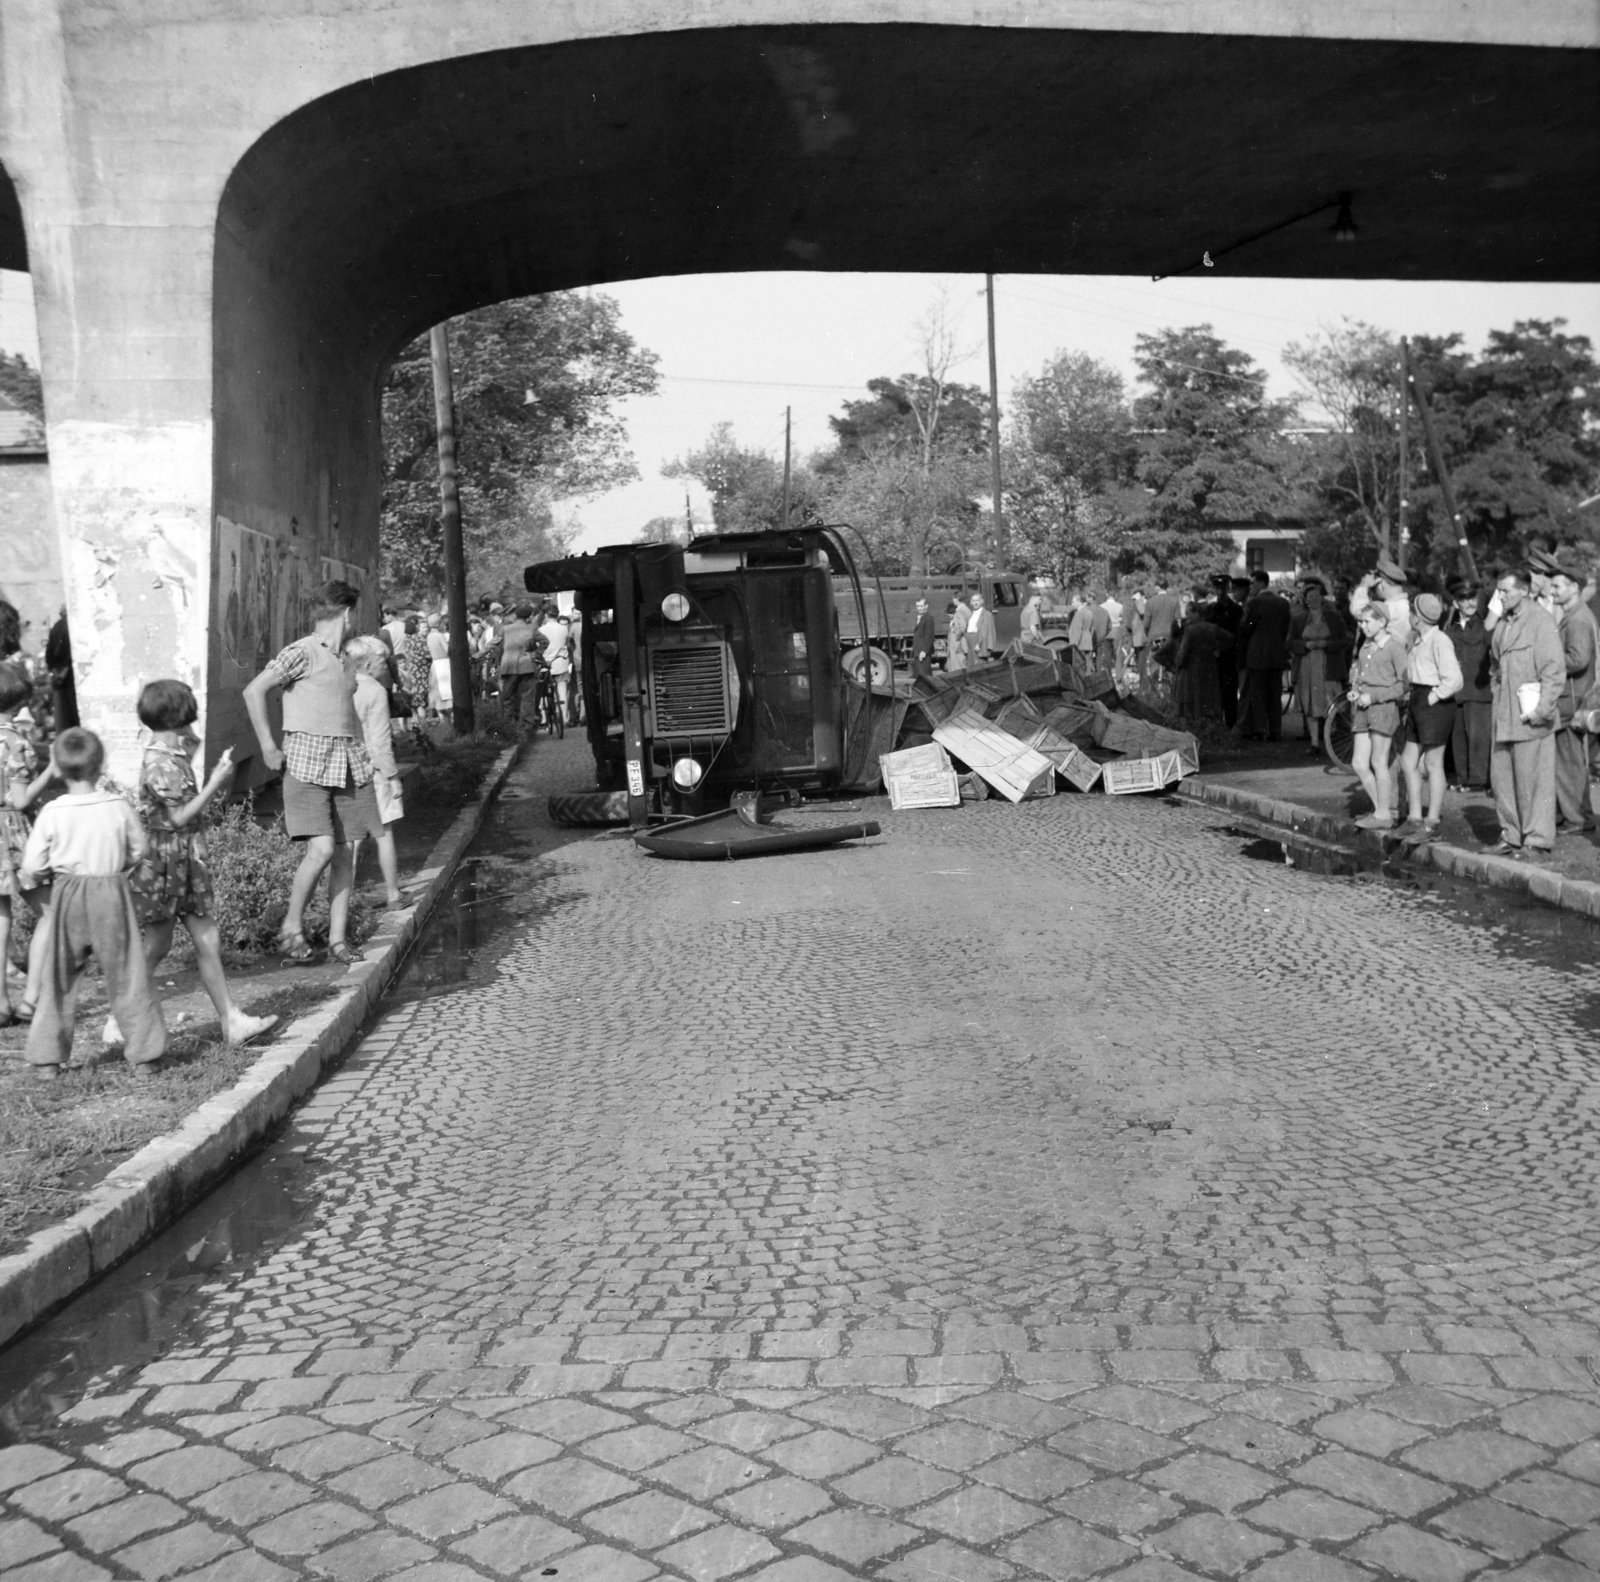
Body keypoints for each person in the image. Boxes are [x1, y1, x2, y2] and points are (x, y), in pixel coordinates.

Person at [120, 680, 277, 1048]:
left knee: (205, 939)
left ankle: (230, 1020)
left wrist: (188, 746)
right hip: (168, 860)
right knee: (158, 946)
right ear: (178, 715)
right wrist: (215, 782)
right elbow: (176, 818)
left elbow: (182, 774)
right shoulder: (161, 763)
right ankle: (123, 1012)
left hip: (180, 859)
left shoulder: (167, 755)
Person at [242, 579, 382, 965]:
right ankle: (291, 927)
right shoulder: (302, 652)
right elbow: (254, 691)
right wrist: (268, 746)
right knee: (320, 849)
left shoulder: (345, 660)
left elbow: (343, 710)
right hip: (306, 765)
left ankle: (338, 941)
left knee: (343, 851)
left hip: (345, 764)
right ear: (348, 614)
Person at [20, 728, 166, 1077]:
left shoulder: (53, 811)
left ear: (56, 766)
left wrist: (50, 872)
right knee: (127, 973)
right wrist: (120, 868)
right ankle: (145, 1055)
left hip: (68, 894)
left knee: (59, 977)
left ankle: (47, 1059)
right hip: (111, 893)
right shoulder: (118, 806)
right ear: (102, 766)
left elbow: (31, 865)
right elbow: (140, 850)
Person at [1487, 567, 1565, 858]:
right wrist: (1497, 696)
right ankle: (1511, 835)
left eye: (1506, 591)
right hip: (1504, 715)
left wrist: (1542, 710)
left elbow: (1554, 671)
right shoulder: (1504, 624)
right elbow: (1495, 664)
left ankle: (1537, 841)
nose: (1501, 596)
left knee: (1534, 780)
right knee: (1503, 779)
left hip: (1532, 717)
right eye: (1499, 591)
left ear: (1524, 590)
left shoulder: (1541, 622)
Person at [0, 663, 55, 1025]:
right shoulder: (15, 741)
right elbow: (19, 800)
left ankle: (1, 1003)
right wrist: (52, 770)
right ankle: (31, 998)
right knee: (50, 911)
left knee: (0, 914)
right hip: (12, 832)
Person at [1398, 594, 1463, 838]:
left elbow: (1454, 679)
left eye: (1411, 612)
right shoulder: (1418, 640)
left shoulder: (1439, 640)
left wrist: (1432, 698)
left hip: (1434, 704)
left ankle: (1432, 822)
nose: (1409, 616)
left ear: (1418, 616)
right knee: (1408, 761)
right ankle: (1414, 818)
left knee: (1433, 763)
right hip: (1418, 701)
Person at [348, 638, 406, 908]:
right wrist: (393, 776)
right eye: (383, 661)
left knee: (353, 836)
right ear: (370, 665)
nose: (387, 665)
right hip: (373, 769)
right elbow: (380, 742)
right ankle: (393, 893)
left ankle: (343, 898)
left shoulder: (343, 686)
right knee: (384, 831)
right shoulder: (375, 691)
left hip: (347, 768)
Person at [1550, 552, 1598, 835]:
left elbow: (1578, 659)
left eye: (1557, 586)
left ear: (1574, 588)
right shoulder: (1575, 615)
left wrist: (1547, 666)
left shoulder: (1578, 618)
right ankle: (1576, 815)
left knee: (1568, 761)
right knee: (1569, 760)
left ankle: (1578, 819)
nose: (1553, 590)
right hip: (1572, 697)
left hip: (1571, 697)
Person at [1348, 603, 1408, 830]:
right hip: (1363, 709)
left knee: (1378, 761)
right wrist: (1356, 690)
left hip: (1383, 708)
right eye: (1361, 622)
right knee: (1359, 763)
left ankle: (1383, 814)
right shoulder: (1366, 647)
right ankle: (1381, 810)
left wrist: (1374, 697)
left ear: (1382, 622)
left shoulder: (1394, 648)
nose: (1362, 627)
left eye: (1367, 622)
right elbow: (1359, 677)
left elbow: (1404, 685)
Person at [1445, 578, 1493, 792]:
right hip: (1457, 693)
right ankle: (1463, 778)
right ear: (1456, 603)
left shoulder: (1485, 626)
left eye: (1472, 597)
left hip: (1478, 691)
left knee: (1478, 738)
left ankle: (1478, 781)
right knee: (1459, 739)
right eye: (1464, 599)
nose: (1470, 602)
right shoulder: (1451, 630)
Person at [1235, 570, 1293, 741]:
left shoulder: (1255, 602)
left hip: (1257, 653)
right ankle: (1276, 731)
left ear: (1261, 583)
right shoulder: (1283, 603)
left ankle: (1261, 730)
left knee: (1258, 694)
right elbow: (1285, 627)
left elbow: (1247, 625)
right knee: (1275, 695)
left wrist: (1251, 626)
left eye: (1253, 583)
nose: (1251, 586)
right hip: (1276, 653)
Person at [1289, 579, 1344, 755]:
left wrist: (1326, 643)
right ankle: (1314, 743)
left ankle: (1332, 740)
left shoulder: (1334, 616)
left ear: (1322, 597)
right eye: (1310, 596)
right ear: (1305, 600)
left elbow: (1343, 640)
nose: (1313, 599)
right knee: (1310, 703)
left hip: (1328, 665)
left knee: (1330, 701)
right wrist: (1304, 646)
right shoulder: (1298, 619)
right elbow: (1289, 642)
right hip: (1307, 667)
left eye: (1316, 595)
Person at [1172, 599, 1233, 723]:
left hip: (1192, 668)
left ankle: (1197, 727)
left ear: (1197, 613)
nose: (1186, 617)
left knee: (1194, 700)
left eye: (1188, 613)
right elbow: (1230, 638)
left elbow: (1183, 652)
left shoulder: (1190, 630)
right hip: (1210, 667)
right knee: (1208, 699)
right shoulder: (1212, 628)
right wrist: (1218, 649)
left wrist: (1177, 664)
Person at [1350, 555, 1413, 646]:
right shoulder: (1404, 606)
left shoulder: (1392, 608)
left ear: (1382, 583)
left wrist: (1364, 585)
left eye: (1375, 587)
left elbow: (1358, 610)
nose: (1374, 590)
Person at [1207, 577, 1243, 728]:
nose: (1220, 591)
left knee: (1229, 694)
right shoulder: (1211, 609)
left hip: (1229, 657)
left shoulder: (1235, 609)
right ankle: (1215, 726)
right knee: (1214, 693)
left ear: (1227, 589)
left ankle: (1230, 726)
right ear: (1214, 590)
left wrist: (1222, 648)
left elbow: (1237, 634)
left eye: (1223, 588)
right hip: (1213, 658)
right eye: (1217, 588)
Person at [499, 604, 540, 723]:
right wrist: (535, 654)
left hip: (509, 665)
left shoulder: (505, 629)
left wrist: (477, 656)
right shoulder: (531, 628)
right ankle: (526, 727)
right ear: (529, 617)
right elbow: (544, 642)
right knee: (527, 698)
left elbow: (495, 645)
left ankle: (509, 726)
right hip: (526, 666)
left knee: (508, 697)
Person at [537, 604, 574, 720]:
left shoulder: (540, 630)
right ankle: (564, 718)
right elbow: (567, 644)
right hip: (560, 663)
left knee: (543, 691)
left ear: (546, 615)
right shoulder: (564, 628)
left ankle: (544, 718)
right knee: (562, 690)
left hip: (545, 664)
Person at [45, 608, 78, 731]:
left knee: (64, 713)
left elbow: (49, 654)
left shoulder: (57, 626)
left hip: (61, 672)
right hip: (74, 671)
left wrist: (53, 668)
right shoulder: (77, 624)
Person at [400, 615, 431, 730]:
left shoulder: (407, 639)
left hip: (412, 670)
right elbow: (428, 654)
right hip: (421, 671)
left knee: (414, 699)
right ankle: (423, 725)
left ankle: (415, 723)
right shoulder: (419, 639)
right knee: (421, 699)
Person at [1144, 581, 1182, 669]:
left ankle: (1154, 679)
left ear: (1157, 588)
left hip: (1154, 636)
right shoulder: (1174, 600)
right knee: (1171, 662)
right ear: (1167, 588)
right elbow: (1178, 620)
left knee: (1154, 661)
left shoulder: (1150, 602)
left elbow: (1146, 624)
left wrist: (1149, 634)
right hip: (1170, 635)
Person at [426, 613, 452, 716]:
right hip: (444, 665)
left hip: (435, 665)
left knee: (438, 693)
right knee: (447, 693)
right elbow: (447, 650)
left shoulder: (429, 636)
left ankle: (442, 719)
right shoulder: (439, 636)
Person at [965, 590, 997, 668]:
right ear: (971, 602)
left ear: (981, 601)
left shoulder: (986, 614)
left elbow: (984, 631)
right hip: (970, 643)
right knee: (971, 666)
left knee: (979, 666)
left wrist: (978, 644)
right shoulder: (971, 614)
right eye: (973, 601)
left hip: (979, 643)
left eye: (977, 600)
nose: (975, 603)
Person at [911, 597, 937, 680]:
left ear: (926, 606)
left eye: (921, 606)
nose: (919, 608)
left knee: (925, 676)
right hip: (918, 651)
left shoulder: (928, 618)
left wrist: (924, 651)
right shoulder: (920, 617)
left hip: (923, 652)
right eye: (918, 606)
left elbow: (929, 636)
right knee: (920, 677)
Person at [945, 595, 970, 674]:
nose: (949, 615)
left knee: (959, 665)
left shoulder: (958, 615)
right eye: (948, 613)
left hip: (957, 646)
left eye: (950, 613)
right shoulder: (953, 620)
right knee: (954, 665)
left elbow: (962, 627)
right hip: (953, 647)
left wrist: (957, 636)